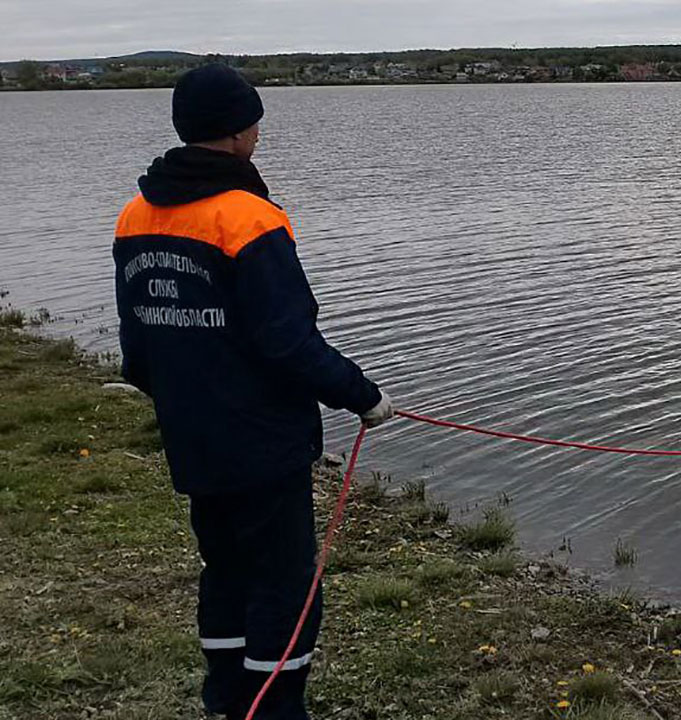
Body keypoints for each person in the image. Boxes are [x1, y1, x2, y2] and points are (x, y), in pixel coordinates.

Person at [112, 63, 393, 720]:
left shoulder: (135, 214)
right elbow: (288, 341)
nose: (258, 134)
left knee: (225, 568)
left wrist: (182, 400)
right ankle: (273, 708)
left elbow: (137, 347)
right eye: (255, 122)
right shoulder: (249, 218)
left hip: (192, 437)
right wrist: (363, 396)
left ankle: (226, 697)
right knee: (283, 582)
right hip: (262, 441)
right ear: (240, 132)